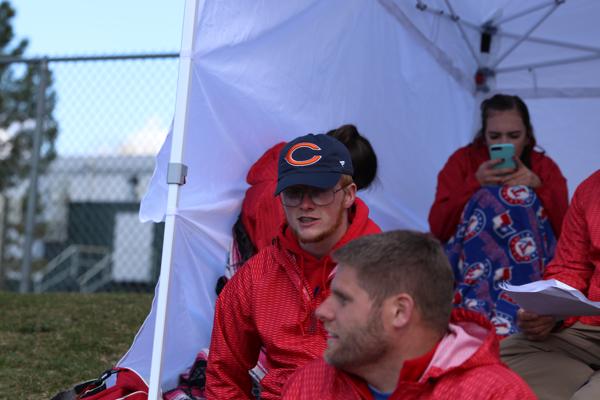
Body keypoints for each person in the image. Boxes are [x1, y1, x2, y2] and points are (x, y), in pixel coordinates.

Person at [205, 133, 381, 399]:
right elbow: (223, 375)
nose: (305, 205)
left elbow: (417, 370)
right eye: (294, 193)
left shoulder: (386, 269)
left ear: (348, 195)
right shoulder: (257, 276)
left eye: (319, 191)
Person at [281, 230, 536, 399]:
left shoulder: (494, 394)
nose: (322, 311)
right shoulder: (311, 384)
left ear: (399, 312)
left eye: (343, 299)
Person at [429, 93, 569, 336]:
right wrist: (475, 184)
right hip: (473, 264)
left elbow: (566, 231)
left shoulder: (544, 167)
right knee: (489, 197)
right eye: (495, 137)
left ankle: (524, 309)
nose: (504, 143)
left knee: (521, 198)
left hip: (528, 267)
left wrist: (538, 187)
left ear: (528, 136)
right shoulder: (463, 161)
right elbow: (439, 227)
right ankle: (475, 310)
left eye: (514, 136)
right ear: (483, 136)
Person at [501, 169, 600, 400]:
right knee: (497, 361)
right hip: (590, 330)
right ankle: (584, 379)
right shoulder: (591, 188)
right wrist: (548, 310)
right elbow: (571, 267)